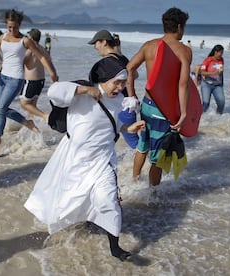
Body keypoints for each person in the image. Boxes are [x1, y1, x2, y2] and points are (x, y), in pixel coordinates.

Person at [24, 57, 146, 261]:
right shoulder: (81, 92)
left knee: (109, 200)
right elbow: (54, 92)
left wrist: (127, 128)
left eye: (123, 83)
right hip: (74, 158)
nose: (120, 87)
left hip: (103, 160)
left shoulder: (118, 101)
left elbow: (112, 126)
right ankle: (84, 221)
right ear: (104, 79)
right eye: (116, 82)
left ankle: (115, 248)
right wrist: (85, 90)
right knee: (67, 200)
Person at [0, 10, 58, 157]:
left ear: (19, 25)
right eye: (9, 27)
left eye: (14, 27)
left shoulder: (25, 41)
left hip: (16, 79)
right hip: (3, 77)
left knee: (1, 108)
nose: (12, 30)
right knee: (0, 109)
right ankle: (27, 123)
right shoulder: (2, 38)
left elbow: (41, 57)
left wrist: (52, 72)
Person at [126, 7, 191, 186]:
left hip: (147, 104)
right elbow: (183, 84)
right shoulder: (184, 50)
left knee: (143, 145)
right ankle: (152, 196)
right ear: (179, 27)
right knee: (158, 155)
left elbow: (129, 69)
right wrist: (184, 113)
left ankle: (134, 181)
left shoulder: (149, 46)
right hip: (164, 110)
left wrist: (132, 97)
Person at [88, 29, 133, 97]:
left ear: (104, 42)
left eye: (95, 43)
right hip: (127, 99)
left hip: (116, 101)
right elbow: (134, 75)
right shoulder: (122, 58)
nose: (94, 47)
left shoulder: (105, 63)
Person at [19, 28, 50, 121]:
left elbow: (22, 62)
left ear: (31, 38)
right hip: (41, 81)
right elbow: (48, 59)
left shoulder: (30, 50)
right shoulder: (43, 49)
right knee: (32, 106)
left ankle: (45, 116)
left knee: (24, 104)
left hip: (31, 81)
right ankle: (32, 124)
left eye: (28, 37)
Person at [200, 44, 225, 114]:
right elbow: (202, 72)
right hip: (206, 84)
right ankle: (201, 117)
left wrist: (222, 82)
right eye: (220, 52)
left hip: (217, 85)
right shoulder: (207, 60)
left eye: (222, 53)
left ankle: (218, 117)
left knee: (221, 102)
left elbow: (221, 72)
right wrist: (213, 72)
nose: (221, 54)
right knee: (206, 103)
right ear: (215, 52)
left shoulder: (221, 60)